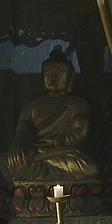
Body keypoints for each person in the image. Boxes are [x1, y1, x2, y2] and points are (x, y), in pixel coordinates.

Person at [7, 45, 98, 181]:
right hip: (37, 152)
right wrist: (15, 147)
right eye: (48, 73)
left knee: (89, 168)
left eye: (60, 72)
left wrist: (56, 142)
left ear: (71, 77)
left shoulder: (77, 103)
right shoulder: (31, 107)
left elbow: (80, 132)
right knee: (8, 165)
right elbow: (21, 134)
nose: (53, 77)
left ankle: (41, 176)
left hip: (63, 152)